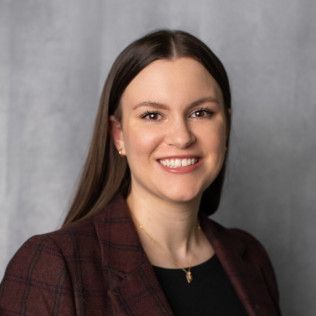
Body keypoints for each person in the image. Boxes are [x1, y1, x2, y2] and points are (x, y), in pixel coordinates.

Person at [0, 30, 281, 315]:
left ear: (226, 127)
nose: (182, 137)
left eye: (201, 113)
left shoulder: (250, 257)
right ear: (119, 134)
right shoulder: (54, 265)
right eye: (152, 115)